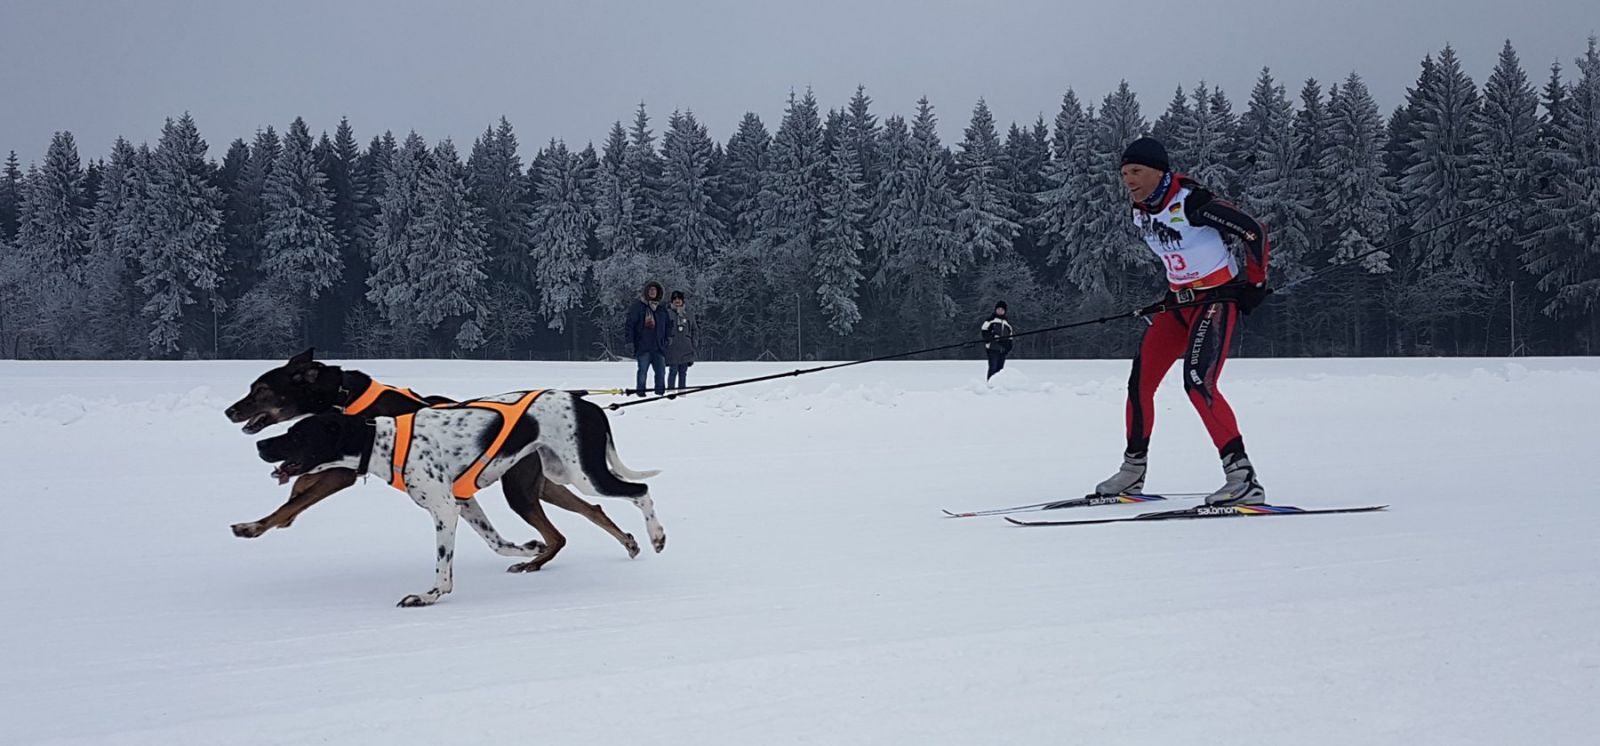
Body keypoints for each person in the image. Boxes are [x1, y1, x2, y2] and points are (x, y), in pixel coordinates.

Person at [1094, 136, 1273, 506]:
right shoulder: (1141, 210)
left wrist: (1255, 282)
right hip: (1178, 302)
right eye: (1124, 173)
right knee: (1139, 384)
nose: (1128, 180)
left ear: (1159, 171)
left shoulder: (1193, 202)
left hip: (1216, 300)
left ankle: (1242, 477)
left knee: (1197, 383)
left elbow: (1253, 231)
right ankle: (1133, 472)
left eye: (1136, 171)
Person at [626, 281, 673, 396]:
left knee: (661, 372)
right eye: (650, 290)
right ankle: (640, 393)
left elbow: (668, 325)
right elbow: (630, 325)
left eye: (654, 290)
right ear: (646, 292)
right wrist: (629, 342)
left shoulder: (662, 309)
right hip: (643, 346)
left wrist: (668, 337)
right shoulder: (638, 307)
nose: (652, 292)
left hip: (658, 347)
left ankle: (660, 393)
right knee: (642, 372)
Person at [665, 290, 697, 390]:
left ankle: (682, 393)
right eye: (675, 299)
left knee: (683, 372)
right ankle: (670, 393)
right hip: (672, 348)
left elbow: (694, 330)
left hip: (686, 348)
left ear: (683, 301)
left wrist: (693, 343)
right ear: (672, 301)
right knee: (673, 371)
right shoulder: (667, 314)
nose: (677, 301)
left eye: (679, 299)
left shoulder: (689, 314)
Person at [980, 301, 1013, 380]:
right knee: (993, 367)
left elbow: (1010, 338)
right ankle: (990, 384)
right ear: (995, 310)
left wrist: (1008, 348)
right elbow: (984, 331)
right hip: (992, 348)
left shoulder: (1007, 324)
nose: (1000, 311)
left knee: (1000, 369)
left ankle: (998, 385)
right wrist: (990, 338)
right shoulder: (990, 321)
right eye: (999, 309)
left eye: (1002, 309)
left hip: (1003, 350)